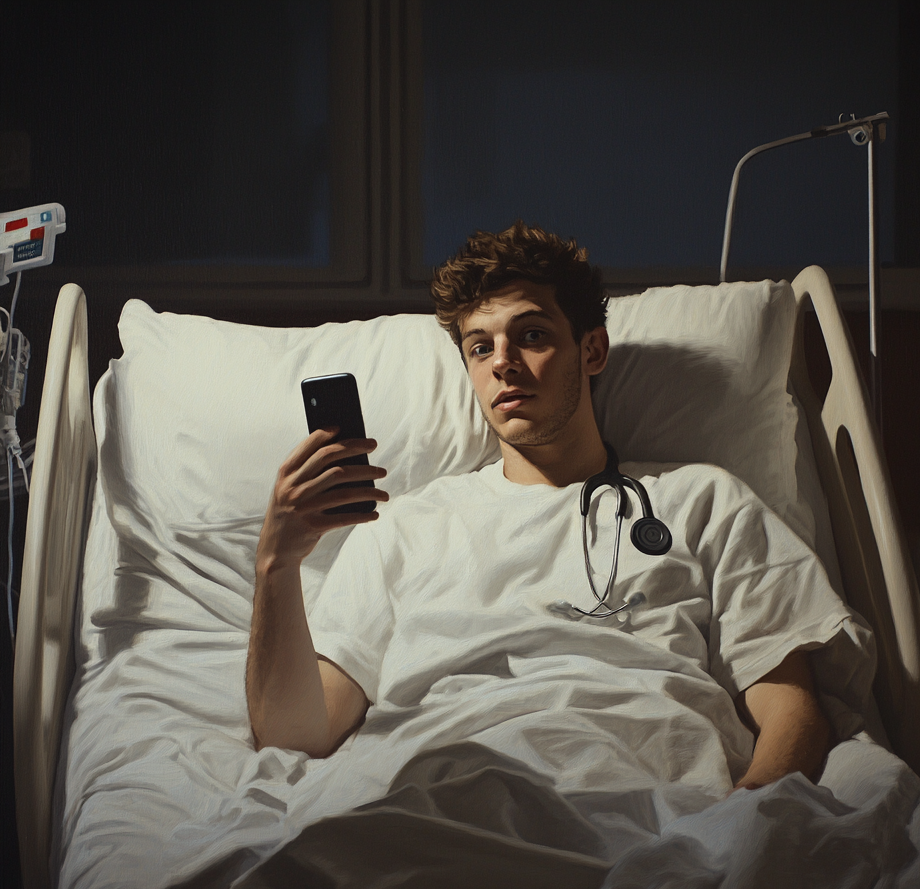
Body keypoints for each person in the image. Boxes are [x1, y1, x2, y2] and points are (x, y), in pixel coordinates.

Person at [244, 222, 869, 811]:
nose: (503, 363)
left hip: (648, 802)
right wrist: (277, 560)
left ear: (592, 349)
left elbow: (793, 711)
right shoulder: (408, 526)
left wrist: (747, 814)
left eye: (533, 335)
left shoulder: (703, 503)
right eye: (480, 347)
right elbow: (299, 735)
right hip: (436, 797)